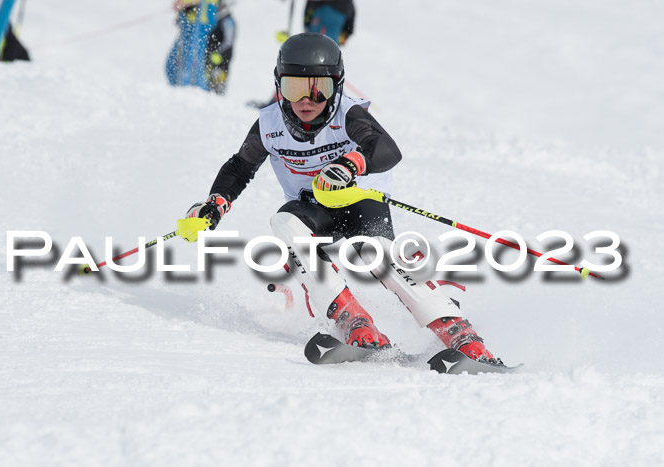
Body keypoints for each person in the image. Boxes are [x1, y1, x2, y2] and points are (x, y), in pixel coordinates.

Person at [186, 33, 499, 362]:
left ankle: (459, 333)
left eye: (318, 90)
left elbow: (387, 150)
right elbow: (240, 167)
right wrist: (216, 202)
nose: (306, 102)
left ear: (337, 86)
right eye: (294, 89)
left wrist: (352, 163)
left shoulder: (347, 115)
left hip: (359, 201)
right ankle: (354, 321)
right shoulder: (269, 124)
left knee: (378, 256)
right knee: (285, 221)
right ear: (279, 86)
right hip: (312, 209)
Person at [166, 0, 235, 93]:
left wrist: (186, 2)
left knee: (196, 67)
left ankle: (200, 92)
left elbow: (227, 44)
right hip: (193, 21)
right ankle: (180, 91)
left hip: (203, 20)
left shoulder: (226, 21)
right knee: (174, 65)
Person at [204, 1, 236, 95]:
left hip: (222, 58)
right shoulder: (217, 20)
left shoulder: (228, 21)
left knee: (218, 82)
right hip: (212, 58)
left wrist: (218, 53)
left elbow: (228, 41)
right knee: (209, 80)